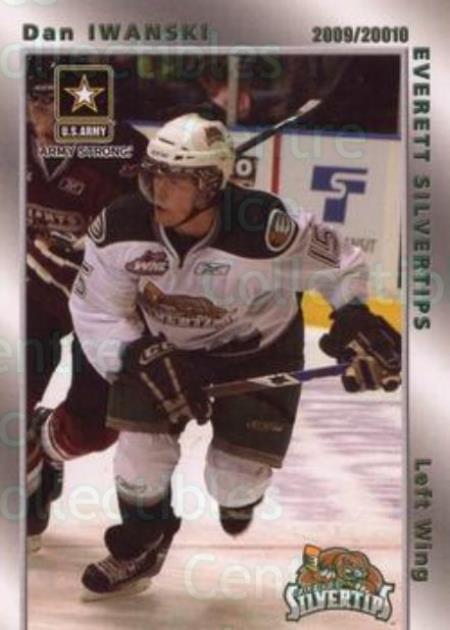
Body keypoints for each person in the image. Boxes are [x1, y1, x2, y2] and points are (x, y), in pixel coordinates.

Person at [69, 112, 401, 599]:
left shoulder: (268, 228)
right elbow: (96, 310)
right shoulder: (121, 226)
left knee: (233, 483)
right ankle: (141, 542)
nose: (158, 189)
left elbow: (341, 264)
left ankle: (239, 495)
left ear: (209, 185)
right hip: (160, 352)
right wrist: (134, 354)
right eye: (154, 174)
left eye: (175, 178)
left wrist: (354, 315)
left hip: (258, 351)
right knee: (139, 455)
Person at [26, 65, 149, 552]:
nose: (46, 115)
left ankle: (44, 441)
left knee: (96, 428)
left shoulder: (124, 152)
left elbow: (158, 231)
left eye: (59, 102)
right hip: (29, 295)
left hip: (102, 305)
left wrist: (102, 246)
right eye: (37, 100)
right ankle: (23, 480)